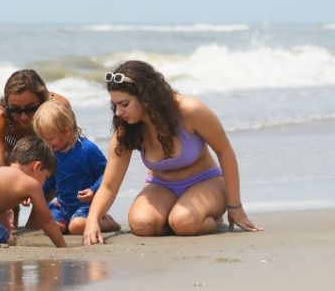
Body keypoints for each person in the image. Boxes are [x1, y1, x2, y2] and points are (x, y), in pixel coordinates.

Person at [84, 60, 263, 245]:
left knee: (185, 222)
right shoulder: (127, 129)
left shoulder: (190, 111)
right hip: (161, 186)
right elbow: (109, 186)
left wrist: (236, 206)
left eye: (124, 104)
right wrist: (92, 220)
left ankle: (207, 219)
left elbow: (225, 152)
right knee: (142, 224)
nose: (118, 113)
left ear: (146, 96)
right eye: (115, 106)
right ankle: (174, 219)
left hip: (205, 182)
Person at [0, 69, 69, 225]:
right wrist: (4, 205)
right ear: (6, 105)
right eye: (15, 110)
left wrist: (35, 188)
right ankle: (13, 211)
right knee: (7, 222)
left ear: (43, 101)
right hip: (12, 165)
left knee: (34, 226)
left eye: (31, 109)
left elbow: (68, 157)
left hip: (48, 168)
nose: (23, 117)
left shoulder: (58, 108)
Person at [30, 100, 121, 235]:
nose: (46, 144)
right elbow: (49, 180)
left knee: (76, 226)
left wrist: (93, 189)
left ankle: (107, 222)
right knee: (50, 225)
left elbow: (107, 174)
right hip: (63, 205)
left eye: (50, 139)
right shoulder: (52, 154)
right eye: (43, 140)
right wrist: (32, 192)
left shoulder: (87, 150)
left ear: (67, 131)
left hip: (86, 205)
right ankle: (66, 223)